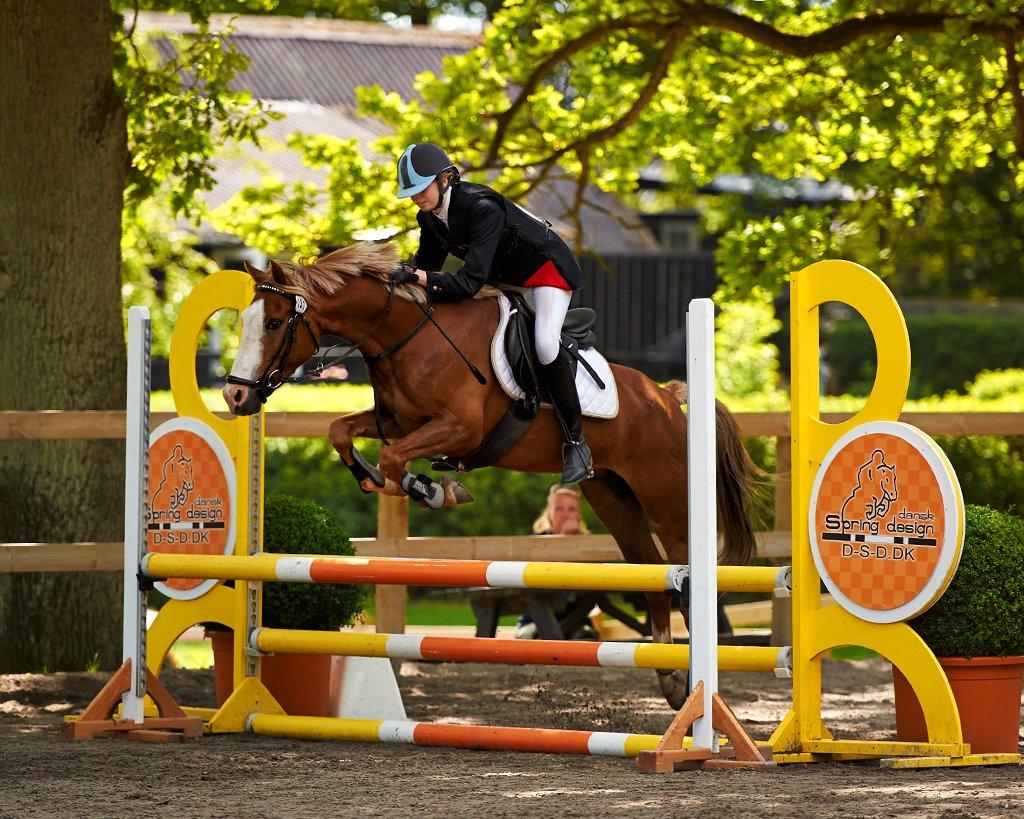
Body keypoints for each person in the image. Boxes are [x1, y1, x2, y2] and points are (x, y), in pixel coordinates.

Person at [391, 142, 593, 485]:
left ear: (443, 180)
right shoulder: (430, 217)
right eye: (410, 192)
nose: (415, 198)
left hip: (546, 271)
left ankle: (576, 443)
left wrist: (417, 276)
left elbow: (467, 281)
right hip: (505, 278)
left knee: (545, 344)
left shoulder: (482, 207)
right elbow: (426, 267)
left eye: (420, 189)